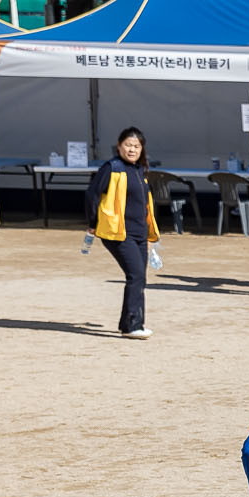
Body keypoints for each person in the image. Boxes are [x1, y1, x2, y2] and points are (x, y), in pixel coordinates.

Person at [84, 126, 158, 339]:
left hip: (139, 233)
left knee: (139, 277)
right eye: (128, 145)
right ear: (119, 146)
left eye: (136, 146)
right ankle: (132, 325)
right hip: (117, 231)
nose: (132, 149)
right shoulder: (112, 167)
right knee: (135, 275)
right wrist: (93, 222)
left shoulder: (141, 170)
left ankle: (130, 323)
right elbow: (92, 194)